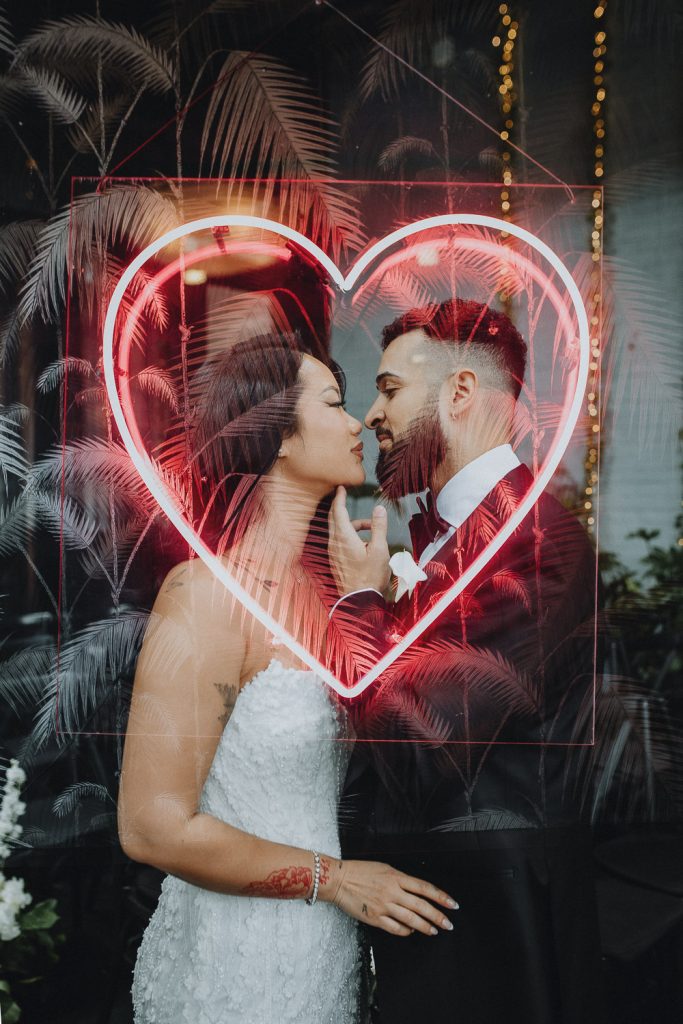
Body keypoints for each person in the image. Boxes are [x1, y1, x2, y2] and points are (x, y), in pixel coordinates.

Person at [117, 332, 457, 1024]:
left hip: (321, 948)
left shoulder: (330, 587)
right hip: (235, 958)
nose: (358, 418)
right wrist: (332, 881)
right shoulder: (206, 595)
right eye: (333, 403)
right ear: (274, 434)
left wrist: (371, 603)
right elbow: (151, 829)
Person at [328, 299, 604, 1024]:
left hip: (490, 937)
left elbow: (423, 744)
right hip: (415, 920)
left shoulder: (537, 544)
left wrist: (361, 603)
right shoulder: (435, 536)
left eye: (388, 388)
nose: (369, 416)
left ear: (457, 392)